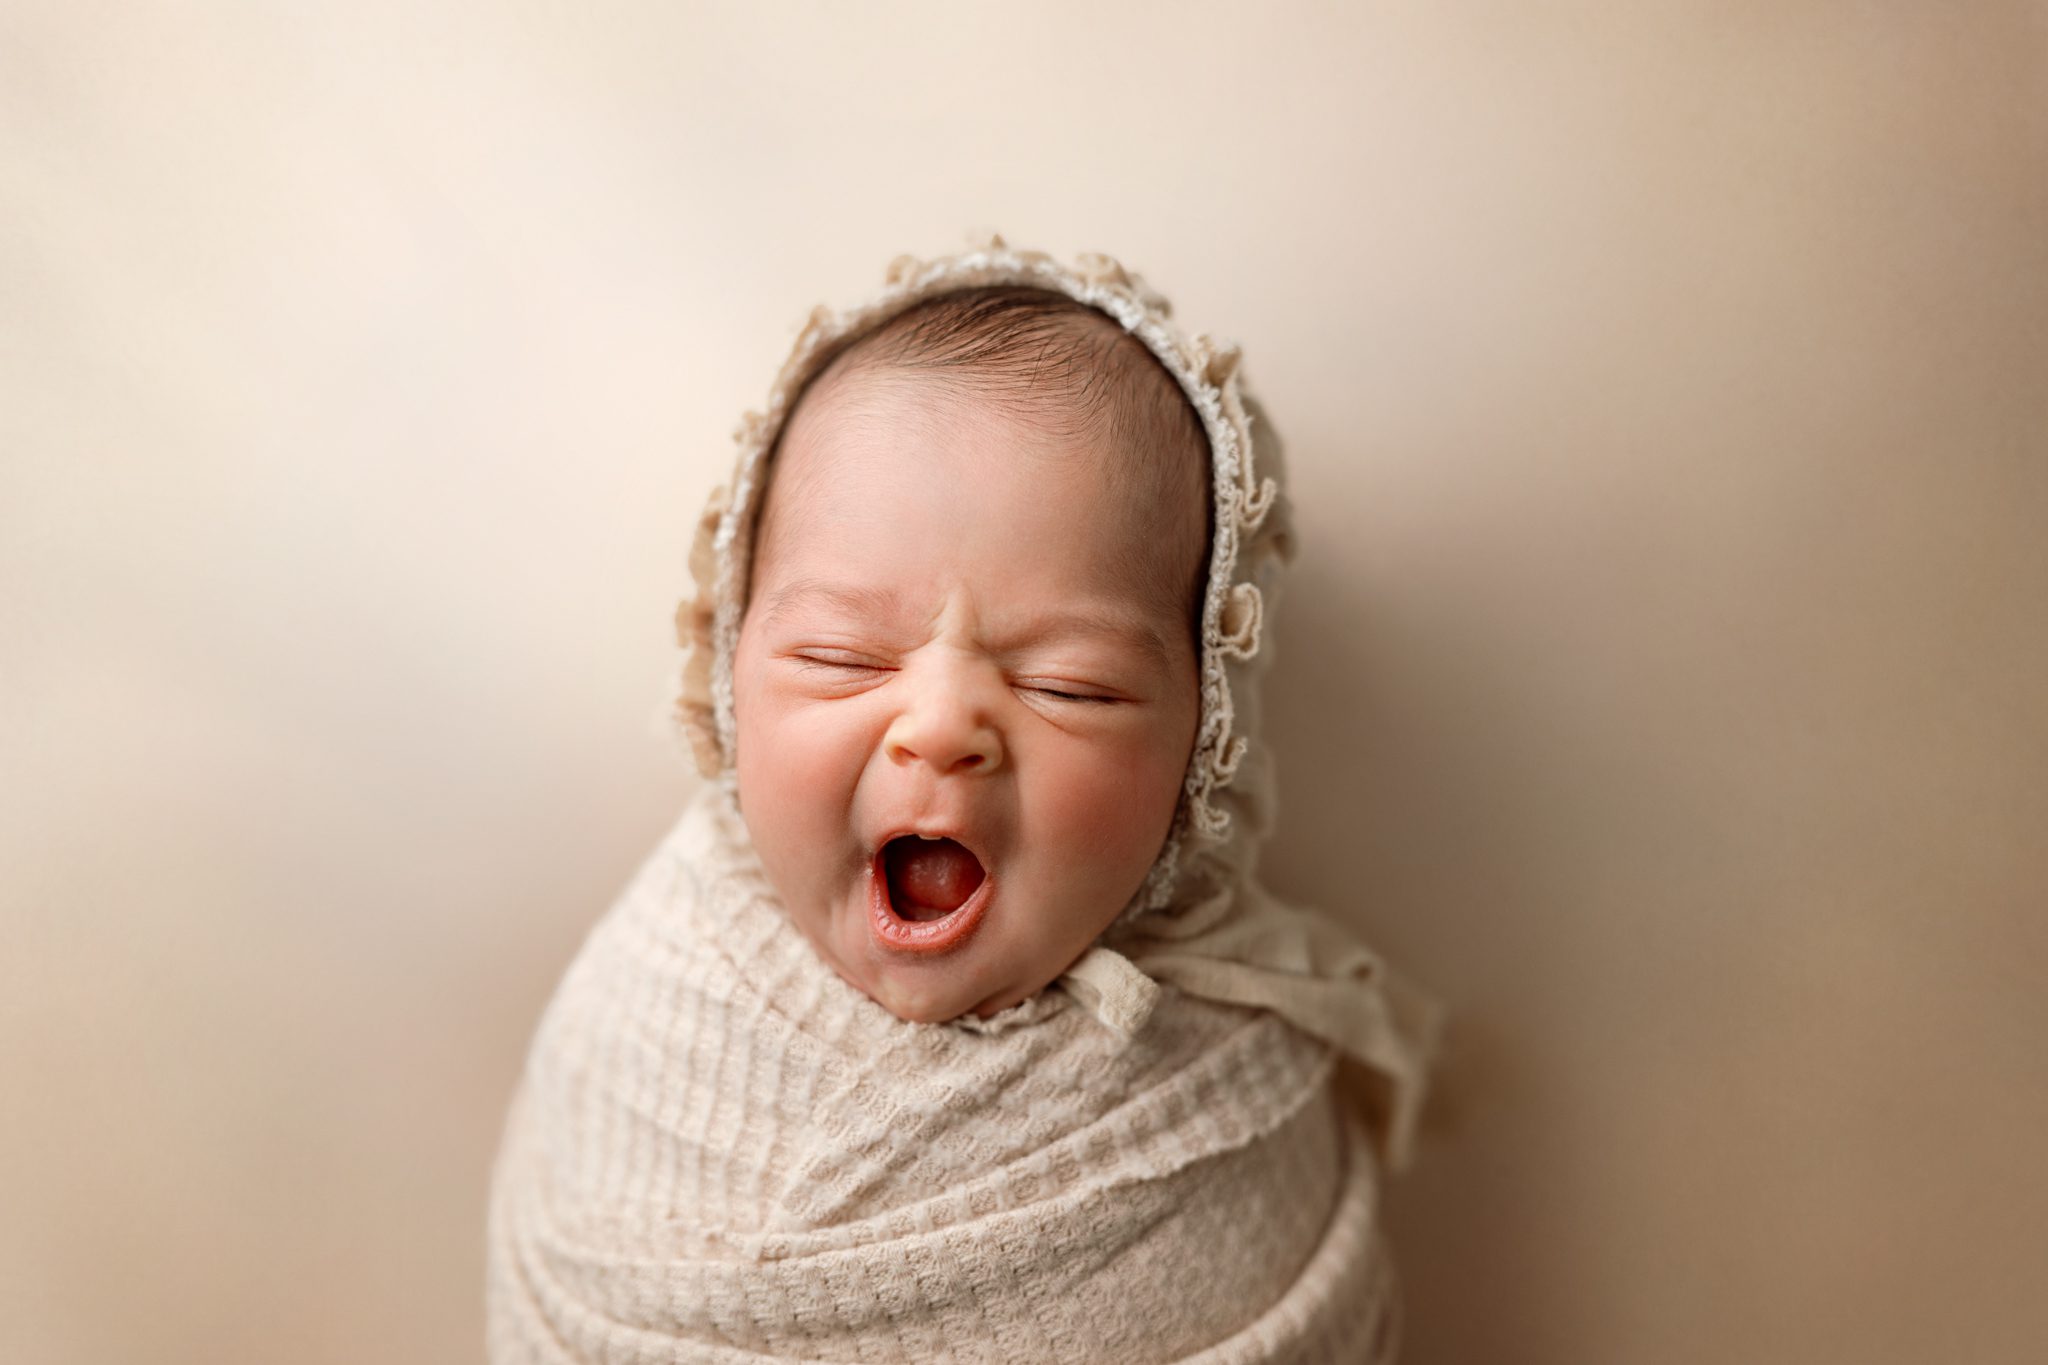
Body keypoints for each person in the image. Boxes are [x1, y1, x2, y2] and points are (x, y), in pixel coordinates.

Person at [486, 235, 1442, 1364]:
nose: (939, 725)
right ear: (724, 677)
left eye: (1066, 684)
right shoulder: (652, 995)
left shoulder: (1235, 1090)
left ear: (1202, 745)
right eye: (840, 657)